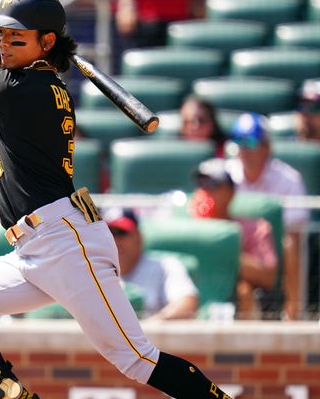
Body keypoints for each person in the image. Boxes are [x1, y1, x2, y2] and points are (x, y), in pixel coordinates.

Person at [0, 0, 275, 399]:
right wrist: (0, 24)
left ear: (46, 43)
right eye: (1, 36)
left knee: (135, 358)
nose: (2, 43)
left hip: (66, 244)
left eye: (15, 37)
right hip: (33, 249)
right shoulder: (30, 81)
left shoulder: (24, 90)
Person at [225, 113, 309, 321]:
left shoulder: (288, 179)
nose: (243, 149)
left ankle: (293, 313)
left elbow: (294, 233)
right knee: (243, 290)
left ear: (266, 147)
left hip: (275, 256)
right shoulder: (225, 174)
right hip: (238, 251)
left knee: (291, 243)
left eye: (250, 141)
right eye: (239, 141)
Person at [189, 159, 278, 320]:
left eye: (213, 184)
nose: (206, 190)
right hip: (194, 293)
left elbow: (268, 276)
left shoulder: (254, 228)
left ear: (231, 192)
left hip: (232, 300)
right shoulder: (186, 229)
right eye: (201, 184)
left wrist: (222, 252)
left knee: (244, 290)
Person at [105, 208, 199, 320]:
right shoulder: (94, 271)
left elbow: (187, 304)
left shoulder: (165, 265)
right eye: (110, 234)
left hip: (153, 336)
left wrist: (148, 326)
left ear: (138, 237)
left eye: (122, 233)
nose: (116, 241)